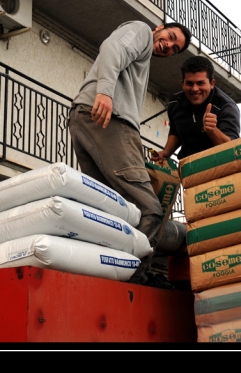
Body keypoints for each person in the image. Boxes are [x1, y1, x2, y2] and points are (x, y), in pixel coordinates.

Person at [68, 20, 192, 286]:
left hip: (86, 120)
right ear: (159, 27)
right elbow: (112, 47)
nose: (168, 45)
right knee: (148, 210)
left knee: (109, 210)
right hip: (109, 121)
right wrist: (105, 93)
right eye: (170, 37)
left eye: (174, 48)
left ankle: (104, 272)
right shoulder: (142, 31)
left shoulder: (143, 53)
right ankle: (133, 278)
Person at [151, 55, 240, 163]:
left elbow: (233, 149)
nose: (194, 89)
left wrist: (212, 131)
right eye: (189, 83)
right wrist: (165, 153)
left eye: (200, 83)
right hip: (188, 168)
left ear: (212, 83)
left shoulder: (226, 106)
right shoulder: (175, 103)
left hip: (218, 169)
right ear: (182, 84)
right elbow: (175, 131)